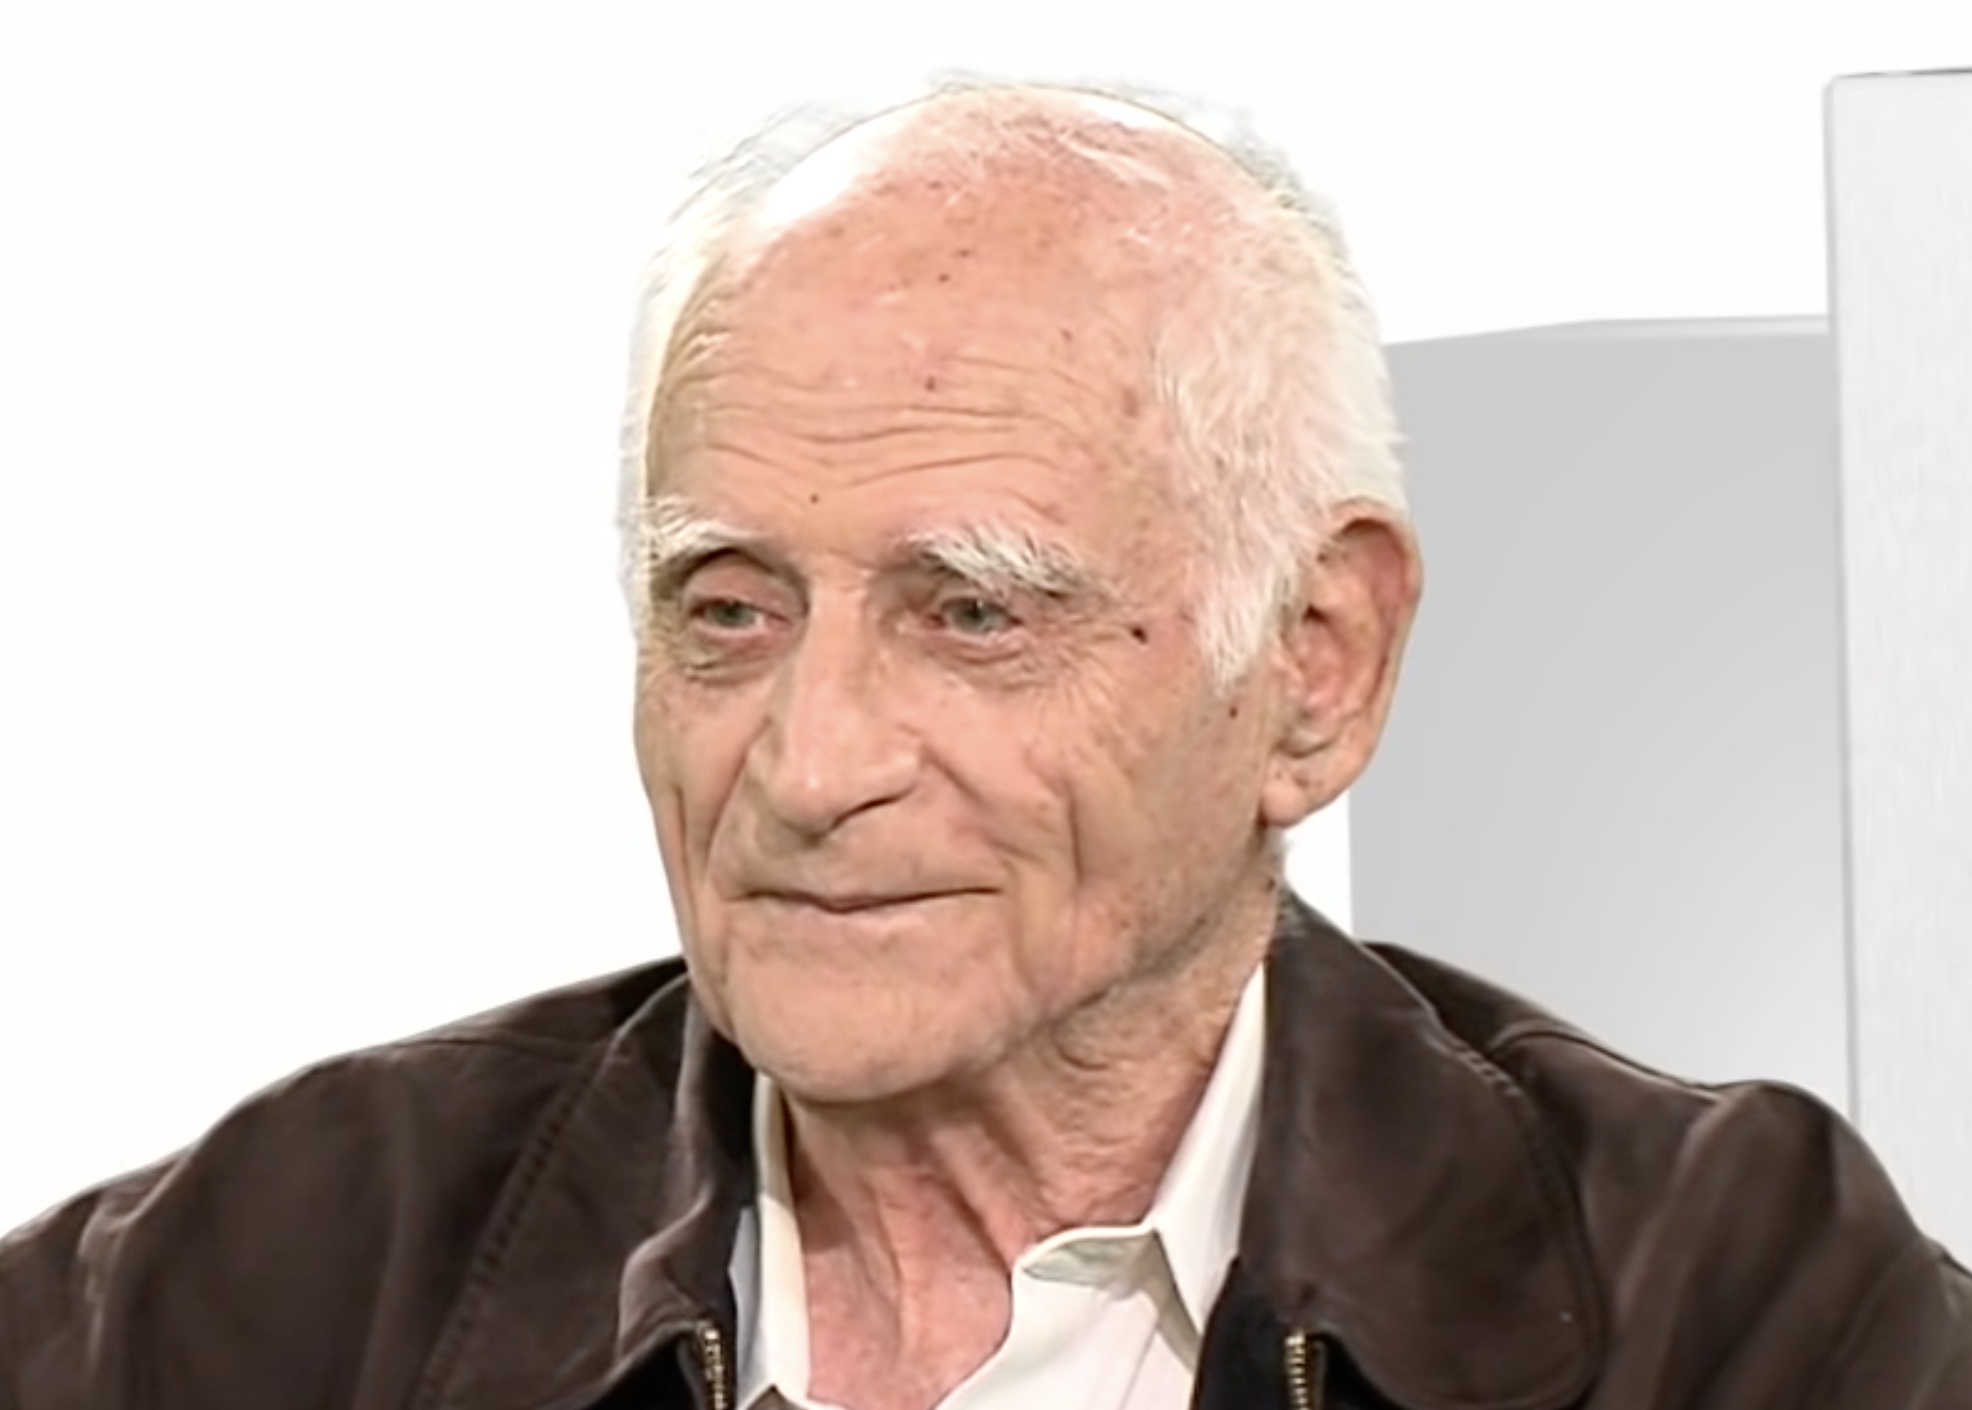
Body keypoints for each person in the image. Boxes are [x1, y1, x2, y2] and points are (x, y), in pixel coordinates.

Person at [2, 77, 1967, 1410]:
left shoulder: (1732, 1304)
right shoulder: (267, 1278)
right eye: (728, 609)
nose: (805, 766)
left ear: (1315, 667)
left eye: (969, 612)